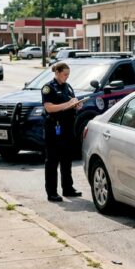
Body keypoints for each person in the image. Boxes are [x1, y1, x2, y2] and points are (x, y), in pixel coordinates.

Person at [42, 62, 83, 202]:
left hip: (67, 127)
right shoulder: (49, 88)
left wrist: (77, 105)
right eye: (65, 74)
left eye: (68, 75)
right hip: (54, 128)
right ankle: (52, 192)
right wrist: (67, 104)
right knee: (52, 161)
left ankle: (68, 188)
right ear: (57, 72)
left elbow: (72, 101)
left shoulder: (68, 87)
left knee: (67, 159)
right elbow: (49, 108)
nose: (67, 77)